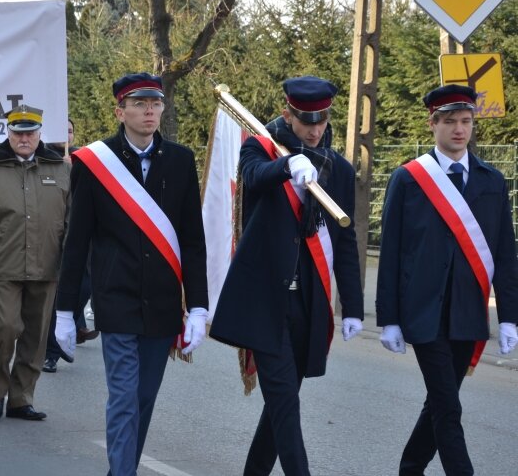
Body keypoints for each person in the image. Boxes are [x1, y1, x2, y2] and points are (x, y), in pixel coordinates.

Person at [208, 76, 364, 476]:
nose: (314, 129)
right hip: (265, 300)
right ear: (286, 114)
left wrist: (353, 308)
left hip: (308, 302)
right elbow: (254, 176)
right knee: (285, 404)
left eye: (322, 120)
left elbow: (345, 243)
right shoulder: (261, 147)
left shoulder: (339, 170)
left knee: (281, 404)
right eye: (305, 120)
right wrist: (286, 166)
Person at [54, 72, 208, 474]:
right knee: (123, 398)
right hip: (115, 298)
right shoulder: (94, 162)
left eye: (156, 103)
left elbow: (192, 239)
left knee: (142, 400)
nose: (150, 111)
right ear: (120, 111)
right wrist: (64, 311)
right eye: (140, 104)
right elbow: (77, 241)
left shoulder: (180, 161)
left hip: (161, 304)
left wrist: (198, 307)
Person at [376, 84, 518, 475]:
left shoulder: (491, 181)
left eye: (466, 121)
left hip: (467, 313)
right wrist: (387, 316)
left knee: (441, 401)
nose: (459, 129)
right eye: (451, 121)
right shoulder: (409, 179)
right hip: (422, 313)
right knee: (448, 406)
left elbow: (505, 253)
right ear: (433, 124)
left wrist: (508, 316)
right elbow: (391, 252)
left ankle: (410, 466)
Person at [0, 104, 70, 421]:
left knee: (36, 336)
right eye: (18, 132)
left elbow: (72, 217)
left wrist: (71, 259)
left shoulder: (61, 168)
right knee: (7, 326)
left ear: (39, 133)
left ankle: (21, 397)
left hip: (47, 263)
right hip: (5, 261)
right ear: (8, 133)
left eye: (30, 132)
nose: (24, 138)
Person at [44, 118, 97, 373]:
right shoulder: (41, 159)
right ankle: (51, 352)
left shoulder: (81, 159)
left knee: (84, 287)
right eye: (61, 129)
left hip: (80, 235)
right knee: (56, 294)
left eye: (70, 130)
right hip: (52, 235)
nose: (67, 134)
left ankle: (70, 328)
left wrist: (74, 168)